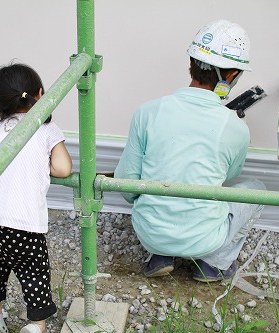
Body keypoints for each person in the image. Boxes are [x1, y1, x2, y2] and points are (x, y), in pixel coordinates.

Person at [114, 20, 266, 282]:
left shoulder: (148, 112)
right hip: (204, 239)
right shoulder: (235, 128)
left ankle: (159, 254)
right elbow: (228, 175)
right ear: (231, 76)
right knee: (258, 190)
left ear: (191, 65)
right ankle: (213, 264)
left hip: (151, 233)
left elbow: (127, 188)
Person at [0, 62, 72, 333]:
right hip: (23, 222)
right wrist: (41, 163)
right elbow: (63, 168)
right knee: (34, 271)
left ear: (0, 101)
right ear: (40, 93)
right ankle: (36, 325)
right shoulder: (46, 129)